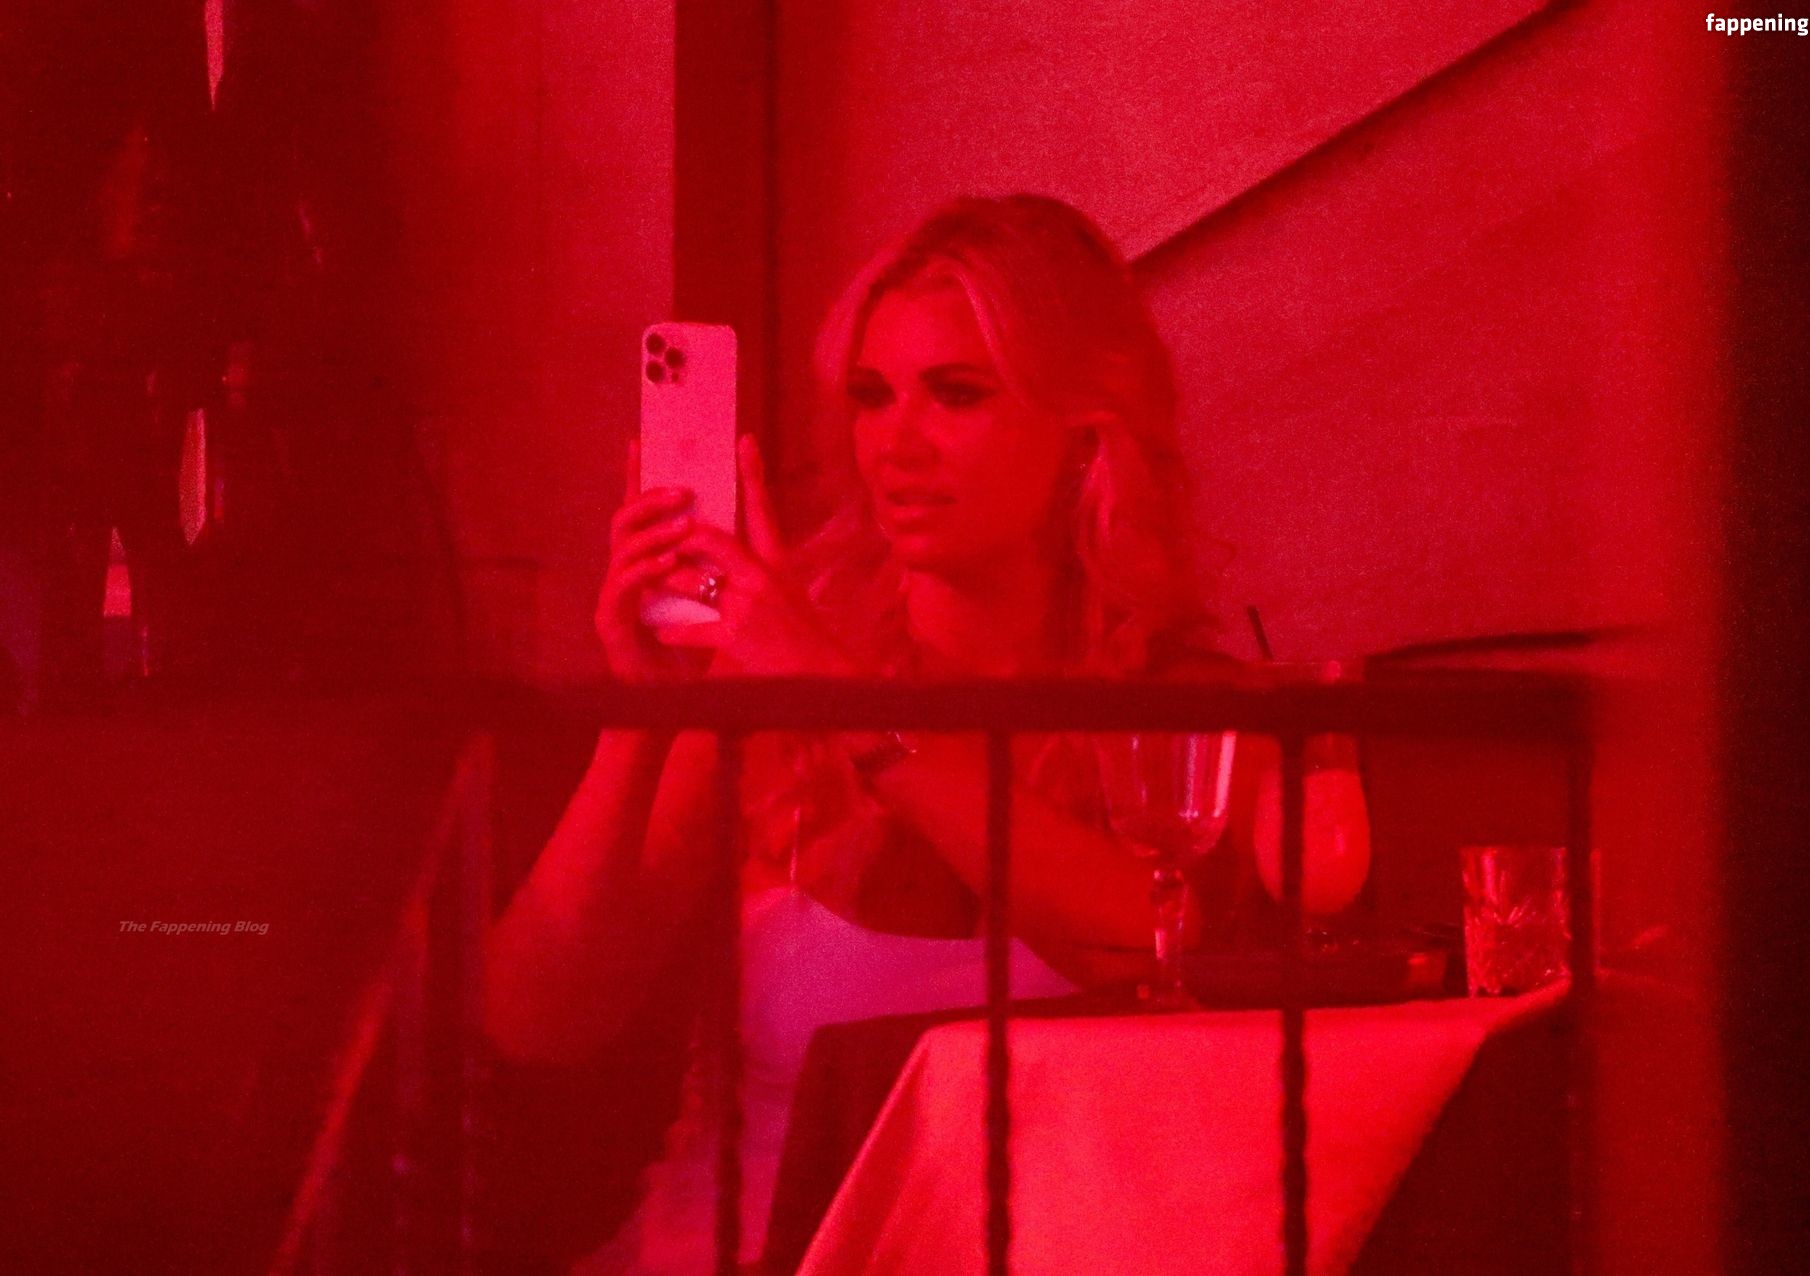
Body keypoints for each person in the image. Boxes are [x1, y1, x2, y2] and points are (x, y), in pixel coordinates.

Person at [484, 194, 1371, 1271]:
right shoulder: (771, 680)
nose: (895, 444)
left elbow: (1152, 940)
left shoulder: (1177, 701)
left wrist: (855, 707)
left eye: (956, 394)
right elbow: (532, 1017)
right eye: (871, 396)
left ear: (1083, 431)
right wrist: (641, 716)